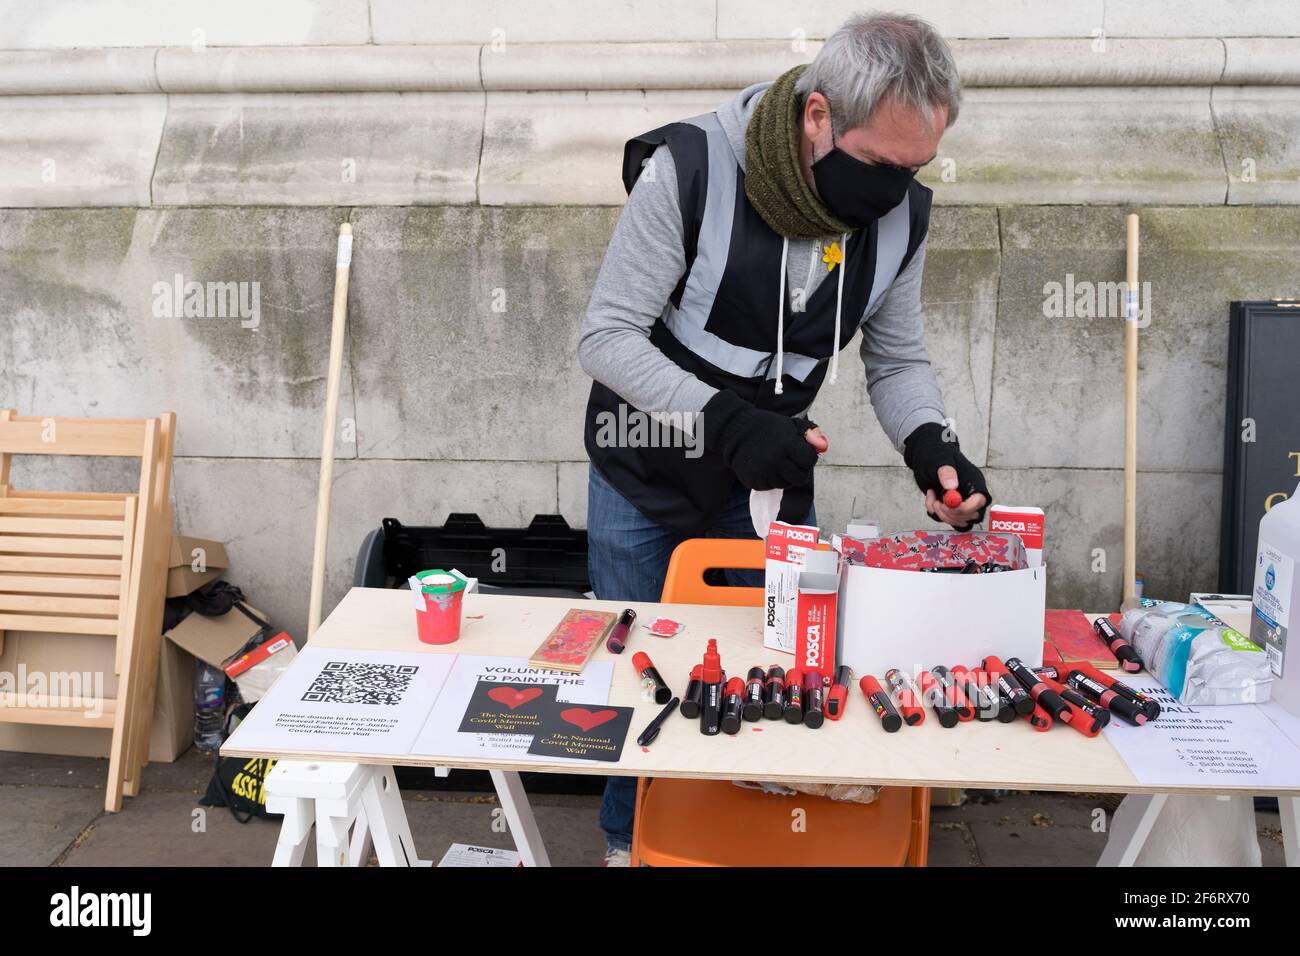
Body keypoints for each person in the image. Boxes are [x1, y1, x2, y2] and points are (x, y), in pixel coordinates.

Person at [578, 11, 991, 866]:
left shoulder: (901, 216)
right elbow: (607, 337)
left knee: (765, 674)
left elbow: (898, 357)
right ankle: (628, 841)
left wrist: (931, 445)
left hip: (765, 479)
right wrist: (724, 421)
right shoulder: (687, 169)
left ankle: (742, 840)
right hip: (645, 465)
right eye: (880, 164)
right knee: (637, 673)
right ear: (817, 116)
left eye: (918, 167)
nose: (896, 191)